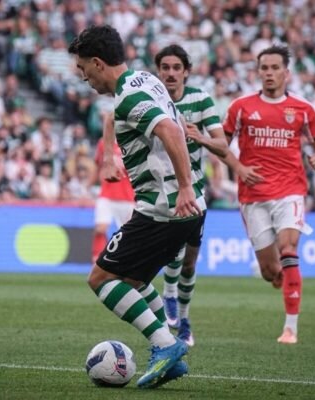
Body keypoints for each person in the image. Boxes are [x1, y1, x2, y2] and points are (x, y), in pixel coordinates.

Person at [68, 25, 204, 389]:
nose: (83, 76)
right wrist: (109, 157)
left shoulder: (128, 96)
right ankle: (169, 354)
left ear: (98, 63)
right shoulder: (142, 80)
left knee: (100, 279)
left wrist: (184, 186)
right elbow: (132, 118)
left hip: (165, 208)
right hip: (181, 206)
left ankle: (165, 345)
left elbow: (170, 131)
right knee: (133, 280)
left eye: (83, 68)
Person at [154, 44, 263, 347]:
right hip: (163, 189)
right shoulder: (151, 99)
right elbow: (114, 119)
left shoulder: (200, 99)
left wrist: (198, 136)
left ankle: (184, 319)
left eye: (177, 68)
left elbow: (222, 144)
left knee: (189, 262)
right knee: (175, 252)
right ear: (158, 71)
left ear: (186, 72)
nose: (171, 73)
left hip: (195, 189)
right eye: (165, 67)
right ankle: (169, 294)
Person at [223, 45, 315, 344]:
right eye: (264, 68)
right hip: (252, 195)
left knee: (289, 248)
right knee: (270, 271)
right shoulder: (241, 107)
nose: (269, 73)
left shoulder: (303, 109)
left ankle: (290, 328)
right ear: (258, 72)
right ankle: (282, 278)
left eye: (274, 68)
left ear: (286, 72)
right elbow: (221, 144)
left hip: (290, 190)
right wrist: (238, 167)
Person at [91, 113, 135, 263]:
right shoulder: (103, 143)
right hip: (107, 194)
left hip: (128, 196)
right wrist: (89, 186)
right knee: (100, 228)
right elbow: (98, 166)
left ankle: (125, 261)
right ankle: (96, 260)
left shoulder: (132, 143)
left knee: (128, 234)